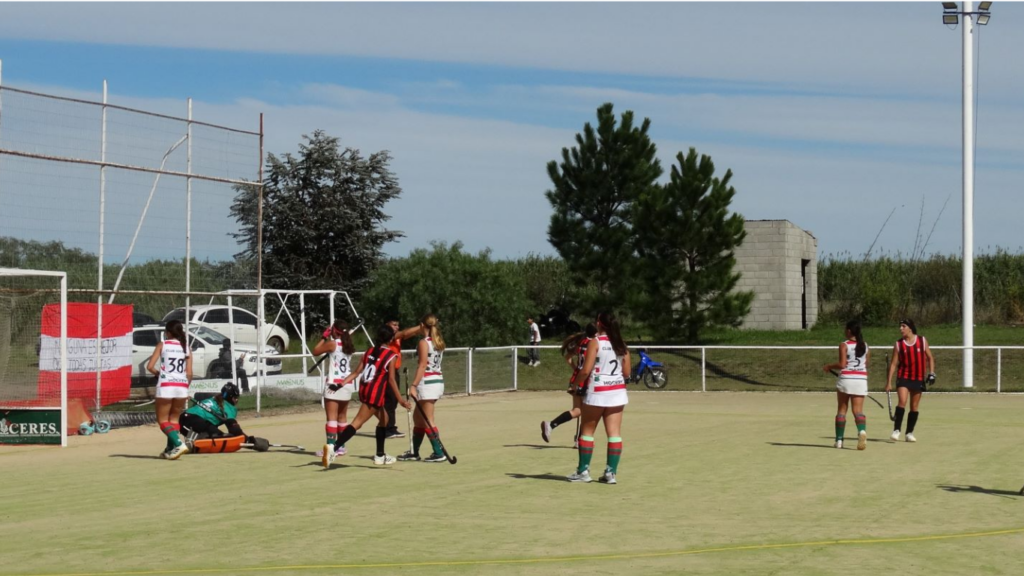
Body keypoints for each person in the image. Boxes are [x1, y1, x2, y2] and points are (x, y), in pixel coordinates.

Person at [329, 324, 411, 468]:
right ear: (391, 338)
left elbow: (355, 373)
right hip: (375, 393)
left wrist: (340, 384)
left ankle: (380, 455)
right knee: (357, 423)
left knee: (384, 420)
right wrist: (401, 400)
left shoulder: (369, 351)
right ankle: (333, 448)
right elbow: (391, 380)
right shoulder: (391, 355)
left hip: (365, 389)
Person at [568, 311, 630, 484]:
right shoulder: (621, 344)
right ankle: (611, 473)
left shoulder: (596, 342)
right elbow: (627, 373)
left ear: (599, 324)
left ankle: (583, 472)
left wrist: (576, 385)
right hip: (617, 392)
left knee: (587, 431)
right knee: (614, 434)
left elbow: (585, 370)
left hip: (597, 391)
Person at [398, 314, 448, 463]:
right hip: (436, 381)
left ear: (421, 325)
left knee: (428, 420)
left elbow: (422, 365)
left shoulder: (423, 342)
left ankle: (439, 453)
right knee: (418, 419)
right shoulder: (438, 341)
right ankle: (415, 452)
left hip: (427, 383)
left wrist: (413, 385)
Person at [541, 323, 598, 446]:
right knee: (581, 411)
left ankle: (578, 440)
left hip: (577, 378)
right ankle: (551, 425)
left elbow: (568, 357)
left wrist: (576, 369)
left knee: (579, 410)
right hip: (585, 380)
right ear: (596, 333)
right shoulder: (594, 344)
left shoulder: (581, 343)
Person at [146, 319, 192, 460]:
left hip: (166, 385)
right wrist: (185, 388)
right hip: (181, 386)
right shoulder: (186, 347)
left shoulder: (163, 344)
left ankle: (179, 444)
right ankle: (170, 449)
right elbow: (189, 373)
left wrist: (159, 374)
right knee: (174, 420)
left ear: (168, 332)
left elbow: (150, 367)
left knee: (162, 420)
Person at [885, 319, 936, 443]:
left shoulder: (922, 340)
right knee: (902, 401)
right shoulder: (899, 344)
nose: (900, 329)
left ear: (910, 328)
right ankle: (896, 430)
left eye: (903, 326)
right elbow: (893, 364)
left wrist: (932, 373)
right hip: (904, 377)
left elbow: (930, 357)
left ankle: (909, 433)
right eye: (900, 326)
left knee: (914, 407)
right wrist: (889, 382)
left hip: (918, 378)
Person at [822, 320, 870, 450]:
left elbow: (842, 364)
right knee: (858, 411)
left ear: (849, 331)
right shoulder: (865, 345)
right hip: (861, 380)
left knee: (842, 410)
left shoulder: (844, 345)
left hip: (846, 379)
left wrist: (829, 366)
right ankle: (861, 431)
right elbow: (865, 364)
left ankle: (839, 441)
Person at [312, 320, 357, 459]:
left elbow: (315, 351)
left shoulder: (333, 343)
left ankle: (331, 448)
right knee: (342, 418)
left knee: (331, 418)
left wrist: (324, 337)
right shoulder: (348, 344)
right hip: (346, 383)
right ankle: (341, 447)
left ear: (334, 331)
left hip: (334, 384)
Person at [383, 319, 425, 439]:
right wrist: (421, 325)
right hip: (388, 371)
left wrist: (421, 330)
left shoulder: (397, 338)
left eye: (398, 325)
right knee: (390, 400)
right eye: (394, 324)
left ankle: (390, 426)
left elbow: (411, 333)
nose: (396, 327)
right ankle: (388, 428)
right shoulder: (389, 336)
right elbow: (405, 333)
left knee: (393, 401)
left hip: (394, 371)